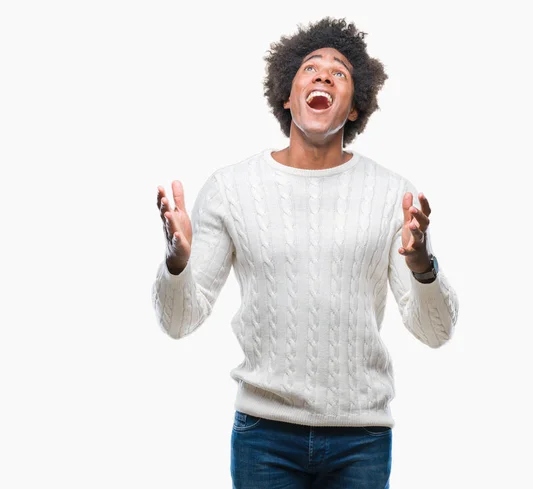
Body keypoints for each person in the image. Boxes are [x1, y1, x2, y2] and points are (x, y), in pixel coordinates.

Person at [151, 17, 459, 489]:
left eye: (339, 73)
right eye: (310, 69)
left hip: (362, 439)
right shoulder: (232, 189)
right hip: (264, 438)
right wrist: (176, 265)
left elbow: (436, 332)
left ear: (354, 108)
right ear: (287, 96)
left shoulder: (391, 194)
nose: (322, 76)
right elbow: (178, 322)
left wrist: (423, 269)